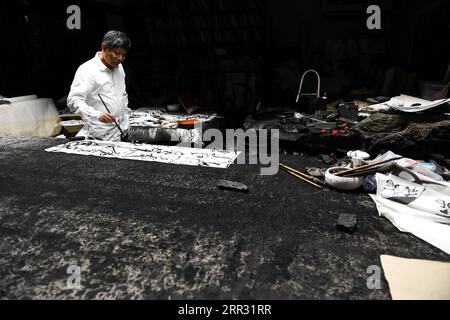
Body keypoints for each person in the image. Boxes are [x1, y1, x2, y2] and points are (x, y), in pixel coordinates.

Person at [67, 30, 132, 141]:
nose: (120, 58)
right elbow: (73, 100)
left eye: (123, 55)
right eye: (117, 53)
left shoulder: (119, 67)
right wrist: (97, 114)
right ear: (104, 47)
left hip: (122, 131)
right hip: (100, 134)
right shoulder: (87, 70)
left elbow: (122, 95)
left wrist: (125, 116)